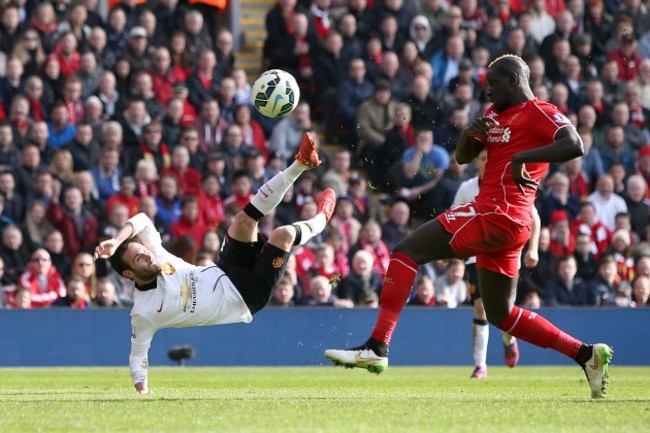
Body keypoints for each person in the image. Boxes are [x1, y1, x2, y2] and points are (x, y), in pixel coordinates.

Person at [324, 55, 613, 399]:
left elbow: (574, 144)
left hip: (496, 212)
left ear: (513, 80)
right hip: (506, 223)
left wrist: (524, 158)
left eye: (492, 84)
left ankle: (377, 346)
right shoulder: (493, 115)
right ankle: (586, 355)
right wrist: (470, 133)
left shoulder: (539, 111)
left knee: (405, 252)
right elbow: (463, 157)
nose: (488, 91)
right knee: (501, 314)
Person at [94, 133, 336, 394]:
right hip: (245, 297)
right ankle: (322, 219)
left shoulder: (157, 254)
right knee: (283, 234)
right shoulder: (143, 312)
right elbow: (137, 355)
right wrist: (142, 391)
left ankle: (301, 163)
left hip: (225, 270)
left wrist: (116, 240)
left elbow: (141, 219)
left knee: (242, 221)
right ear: (129, 273)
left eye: (143, 250)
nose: (147, 255)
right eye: (139, 258)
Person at [454, 148, 541, 379]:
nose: (486, 163)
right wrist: (455, 249)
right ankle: (480, 365)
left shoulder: (510, 184)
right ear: (476, 161)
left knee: (505, 310)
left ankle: (508, 338)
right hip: (476, 255)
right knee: (480, 306)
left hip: (506, 253)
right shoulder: (467, 188)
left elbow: (534, 217)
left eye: (490, 158)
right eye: (482, 159)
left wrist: (533, 249)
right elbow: (455, 216)